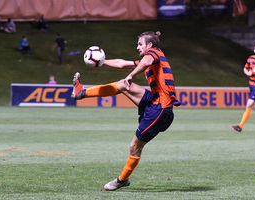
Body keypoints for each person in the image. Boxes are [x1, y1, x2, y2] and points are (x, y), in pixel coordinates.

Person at [71, 31, 180, 191]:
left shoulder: (153, 53)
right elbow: (122, 63)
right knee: (123, 84)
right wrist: (103, 61)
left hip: (161, 110)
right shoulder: (149, 57)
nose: (137, 47)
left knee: (134, 147)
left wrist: (132, 75)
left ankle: (122, 179)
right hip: (154, 101)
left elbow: (145, 62)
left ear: (149, 45)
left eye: (140, 44)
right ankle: (82, 93)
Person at [232, 44, 255, 132]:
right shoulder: (250, 58)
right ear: (254, 50)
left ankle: (240, 126)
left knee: (249, 105)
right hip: (251, 84)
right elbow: (245, 69)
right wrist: (248, 73)